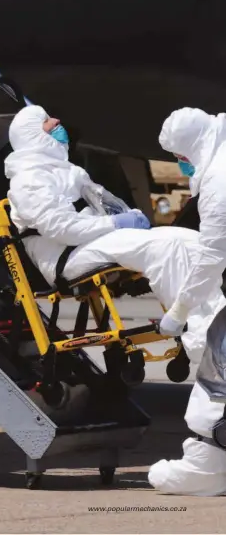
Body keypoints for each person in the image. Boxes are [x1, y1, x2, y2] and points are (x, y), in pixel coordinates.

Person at [3, 104, 226, 365]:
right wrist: (118, 223)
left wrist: (125, 217)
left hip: (90, 244)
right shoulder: (29, 180)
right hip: (68, 256)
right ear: (32, 135)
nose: (57, 122)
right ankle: (198, 333)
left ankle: (215, 322)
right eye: (47, 122)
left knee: (187, 240)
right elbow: (63, 229)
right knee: (165, 247)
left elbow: (104, 207)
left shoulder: (66, 172)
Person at [147, 107, 226, 496]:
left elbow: (213, 254)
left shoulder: (219, 179)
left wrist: (179, 310)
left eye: (181, 157)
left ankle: (206, 465)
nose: (183, 165)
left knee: (218, 374)